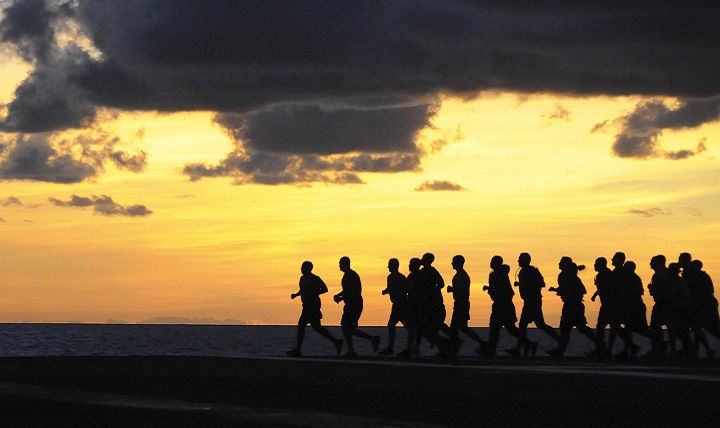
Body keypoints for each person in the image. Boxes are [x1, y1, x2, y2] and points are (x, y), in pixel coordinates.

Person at [287, 261, 343, 357]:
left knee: (302, 325)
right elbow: (303, 290)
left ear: (308, 268)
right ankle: (336, 341)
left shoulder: (315, 279)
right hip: (306, 305)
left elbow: (325, 289)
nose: (301, 269)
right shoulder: (302, 279)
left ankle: (298, 349)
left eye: (303, 267)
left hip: (313, 305)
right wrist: (296, 295)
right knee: (316, 327)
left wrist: (314, 292)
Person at [508, 253, 557, 357]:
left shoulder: (533, 271)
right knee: (533, 325)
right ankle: (522, 347)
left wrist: (523, 284)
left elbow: (542, 283)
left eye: (520, 259)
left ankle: (559, 340)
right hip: (528, 301)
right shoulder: (522, 272)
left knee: (534, 325)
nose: (518, 261)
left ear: (526, 261)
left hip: (533, 301)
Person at [547, 256, 596, 358]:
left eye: (560, 262)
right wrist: (557, 290)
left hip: (574, 305)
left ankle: (600, 345)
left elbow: (581, 290)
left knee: (579, 328)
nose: (558, 264)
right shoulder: (565, 275)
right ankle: (560, 351)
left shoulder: (570, 277)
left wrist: (560, 291)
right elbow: (566, 288)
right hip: (569, 304)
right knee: (566, 329)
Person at [333, 256, 380, 358]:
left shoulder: (351, 276)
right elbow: (347, 290)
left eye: (341, 264)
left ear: (346, 264)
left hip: (354, 304)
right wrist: (339, 295)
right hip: (351, 304)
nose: (339, 266)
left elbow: (355, 291)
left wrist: (341, 298)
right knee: (347, 327)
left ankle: (358, 346)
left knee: (346, 327)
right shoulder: (348, 276)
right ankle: (364, 342)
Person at [446, 255, 485, 357]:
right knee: (461, 328)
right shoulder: (460, 275)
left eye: (453, 262)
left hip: (461, 303)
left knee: (456, 328)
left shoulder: (462, 276)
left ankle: (455, 347)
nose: (452, 263)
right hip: (460, 303)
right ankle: (481, 343)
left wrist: (452, 289)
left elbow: (462, 290)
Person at [483, 256, 521, 357]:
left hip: (503, 304)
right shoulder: (498, 274)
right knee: (505, 328)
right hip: (501, 304)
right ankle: (491, 349)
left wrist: (492, 292)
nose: (490, 263)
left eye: (492, 261)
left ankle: (491, 350)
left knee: (499, 328)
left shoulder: (498, 275)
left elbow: (503, 290)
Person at [683, 258, 720, 357]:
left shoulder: (698, 277)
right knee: (699, 328)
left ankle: (698, 349)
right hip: (703, 305)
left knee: (710, 328)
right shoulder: (700, 276)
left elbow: (706, 291)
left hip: (704, 305)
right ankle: (697, 349)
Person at [379, 258, 410, 356]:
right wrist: (386, 291)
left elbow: (404, 289)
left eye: (390, 265)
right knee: (407, 326)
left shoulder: (400, 277)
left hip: (401, 304)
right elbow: (391, 288)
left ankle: (391, 348)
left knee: (392, 325)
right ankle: (394, 348)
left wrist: (388, 291)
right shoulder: (391, 277)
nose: (388, 267)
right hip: (397, 304)